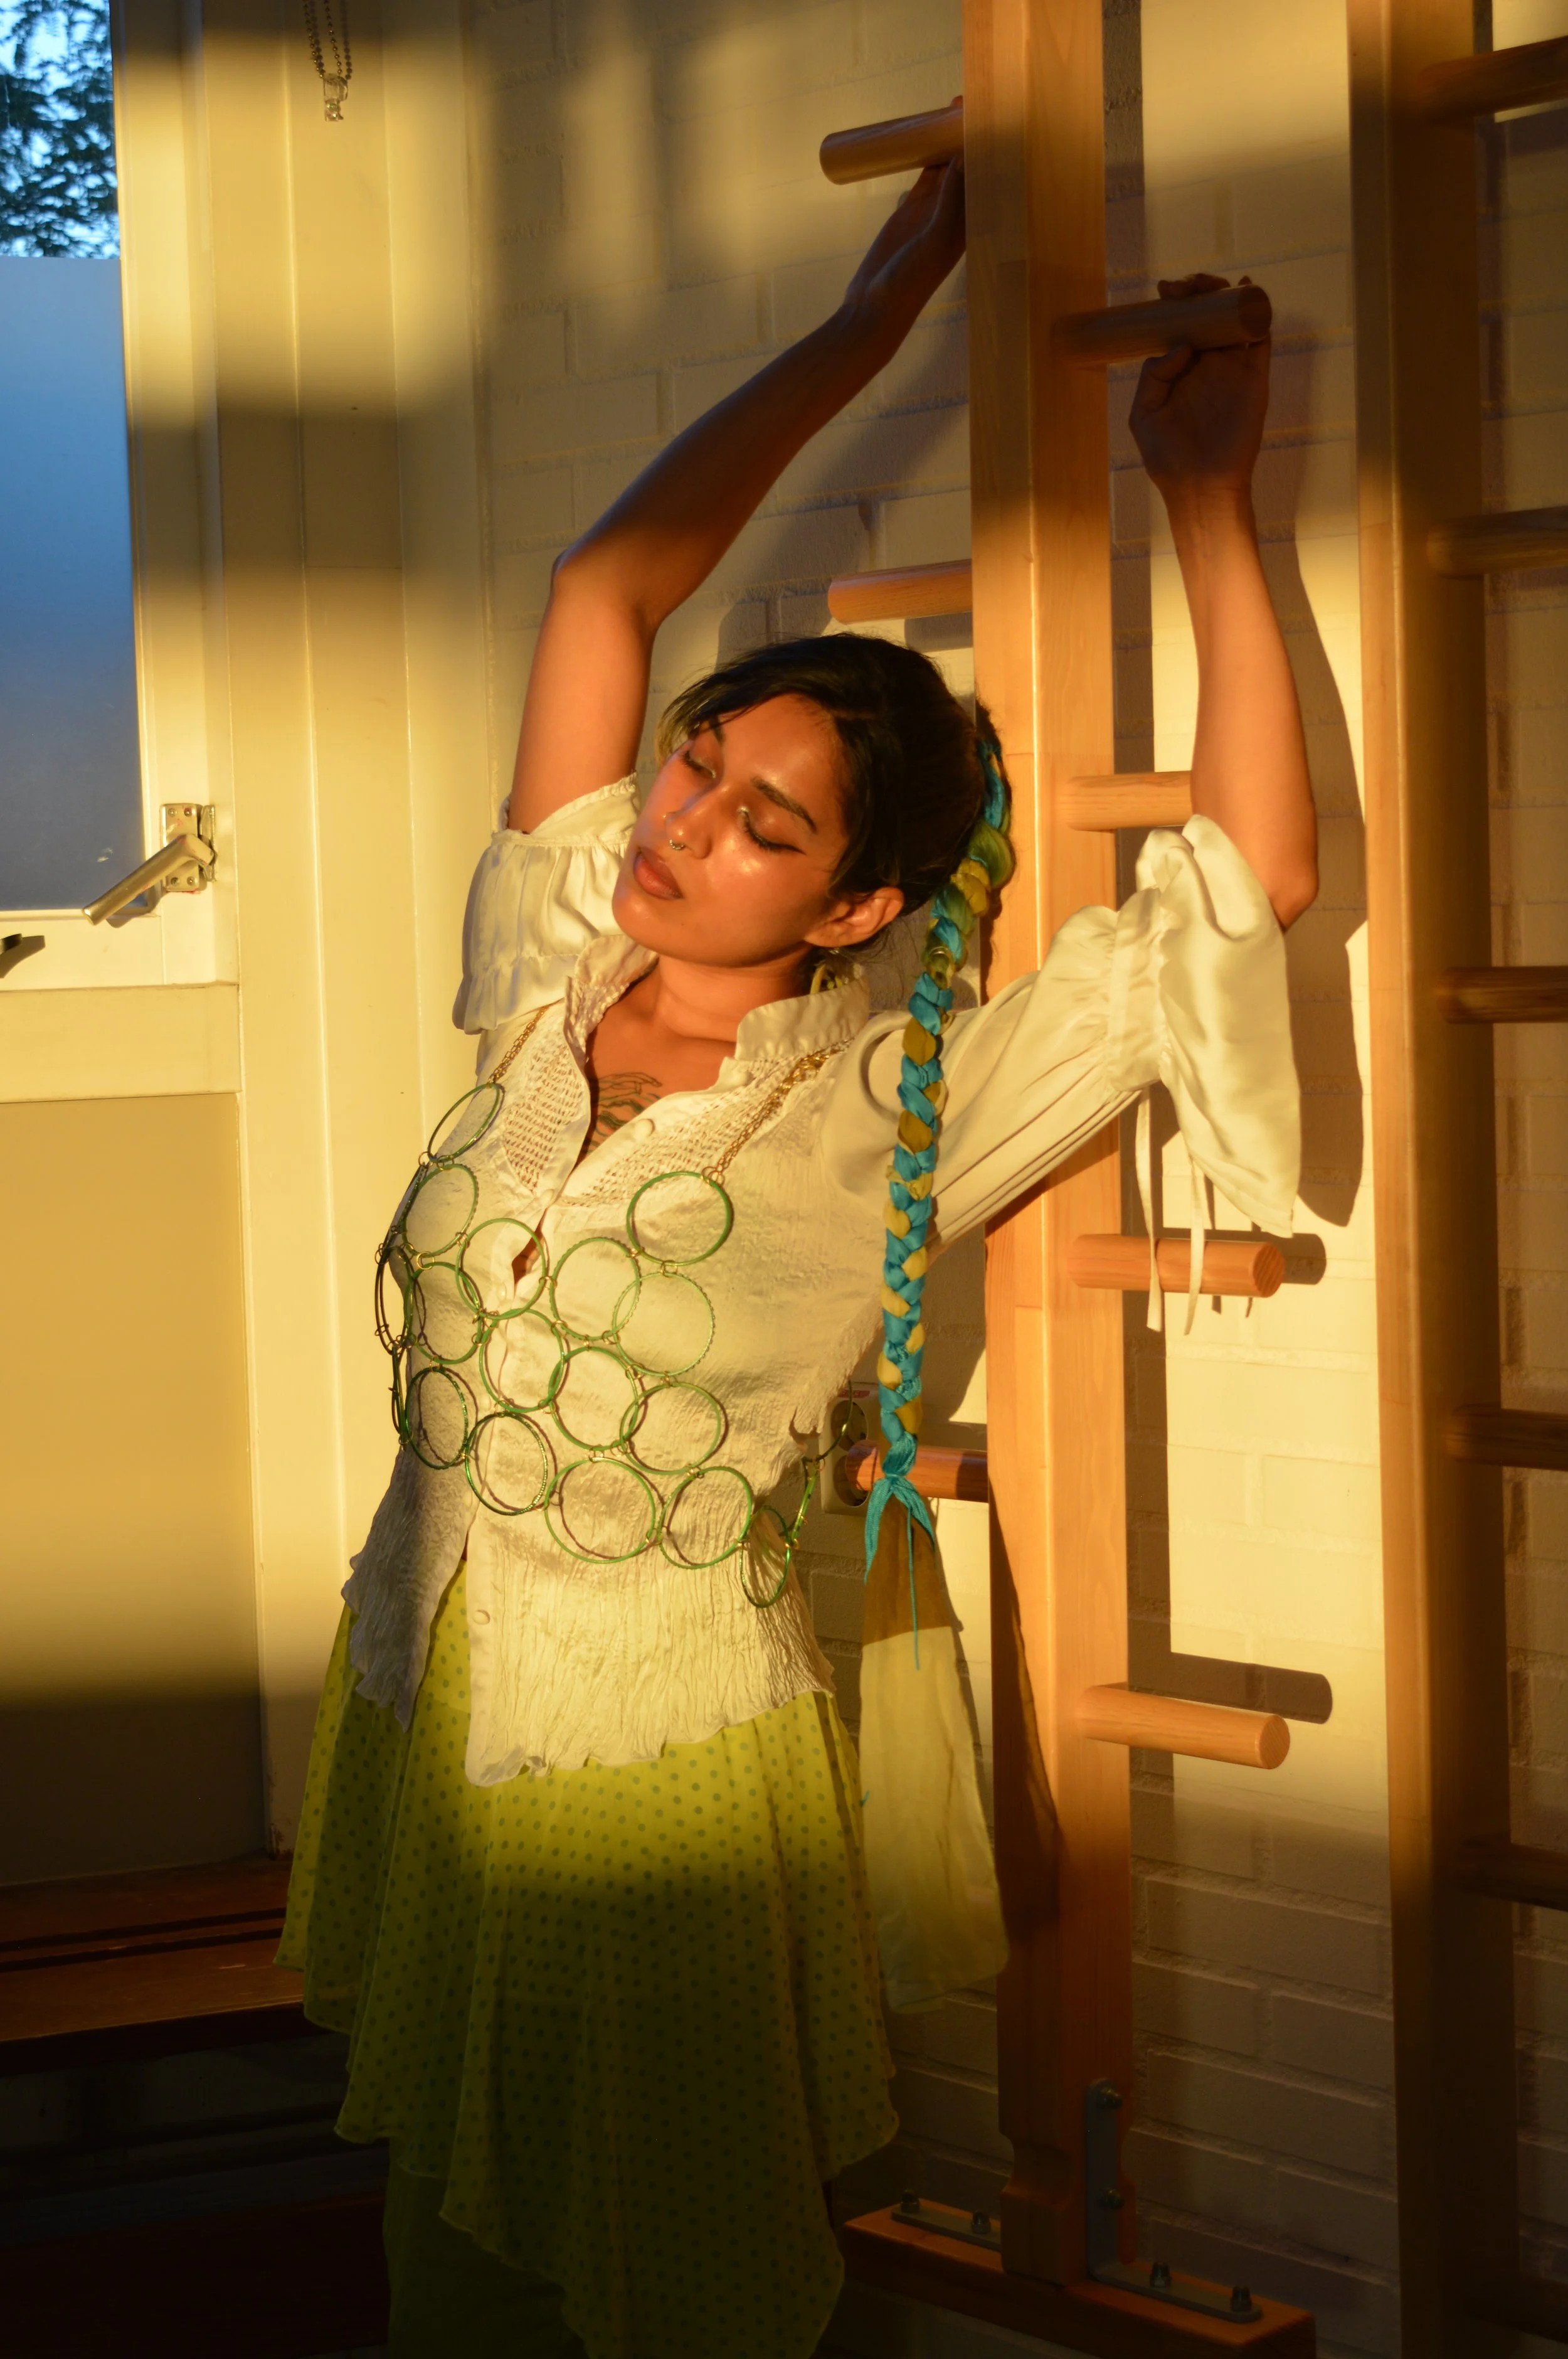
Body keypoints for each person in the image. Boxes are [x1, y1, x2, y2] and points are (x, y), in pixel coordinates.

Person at [278, 152, 1315, 2359]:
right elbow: (596, 587)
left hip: (659, 1749)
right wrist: (870, 320)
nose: (676, 835)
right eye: (691, 773)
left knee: (665, 2257)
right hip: (423, 1672)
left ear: (855, 908)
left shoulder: (886, 1113)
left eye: (764, 825)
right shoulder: (543, 975)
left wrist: (1208, 511)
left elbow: (1246, 883)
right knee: (447, 2252)